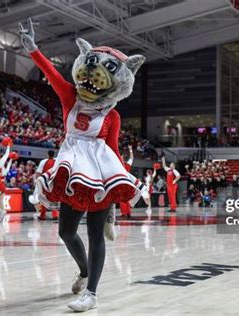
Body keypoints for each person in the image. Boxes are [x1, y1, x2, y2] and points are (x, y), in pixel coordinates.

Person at [20, 18, 144, 312]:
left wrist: (115, 196)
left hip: (99, 176)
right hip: (71, 171)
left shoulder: (112, 118)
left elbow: (113, 152)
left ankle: (91, 293)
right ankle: (84, 270)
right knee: (65, 232)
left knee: (95, 234)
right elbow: (50, 74)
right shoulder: (70, 98)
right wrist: (33, 50)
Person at [34, 150, 58, 221]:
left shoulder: (43, 161)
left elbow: (38, 173)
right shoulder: (57, 161)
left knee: (44, 197)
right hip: (54, 181)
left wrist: (37, 181)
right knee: (54, 198)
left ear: (47, 154)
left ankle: (42, 215)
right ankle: (55, 215)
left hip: (45, 181)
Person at [119, 145, 134, 219]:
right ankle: (127, 213)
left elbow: (131, 158)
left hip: (124, 184)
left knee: (123, 199)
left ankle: (125, 213)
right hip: (124, 184)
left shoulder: (124, 165)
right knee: (125, 199)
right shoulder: (118, 165)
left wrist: (131, 150)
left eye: (121, 157)